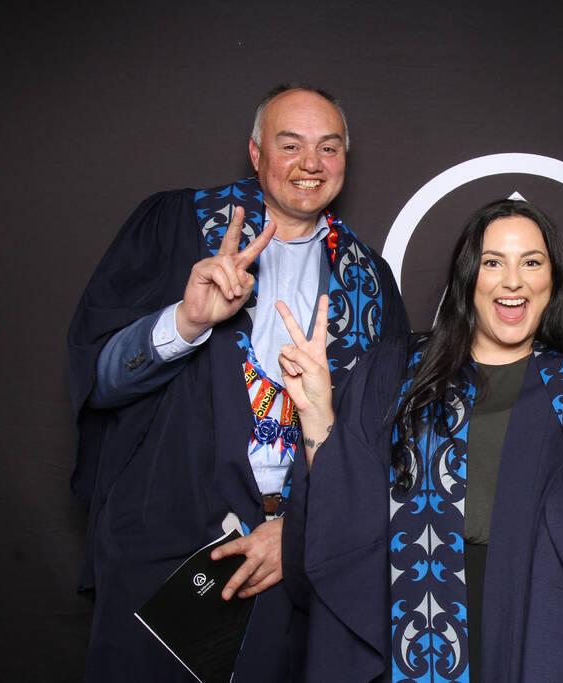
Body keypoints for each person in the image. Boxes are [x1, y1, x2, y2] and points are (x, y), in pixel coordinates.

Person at [67, 84, 409, 682]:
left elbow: (384, 441)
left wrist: (298, 535)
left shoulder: (369, 280)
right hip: (165, 554)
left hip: (295, 560)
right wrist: (186, 321)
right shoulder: (180, 226)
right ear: (255, 153)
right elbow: (101, 381)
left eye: (329, 148)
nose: (311, 164)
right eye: (291, 144)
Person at [276, 199, 563, 682]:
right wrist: (315, 414)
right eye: (493, 262)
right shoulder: (395, 371)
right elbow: (343, 517)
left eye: (531, 262)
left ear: (553, 281)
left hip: (533, 616)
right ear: (467, 278)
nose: (513, 281)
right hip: (408, 621)